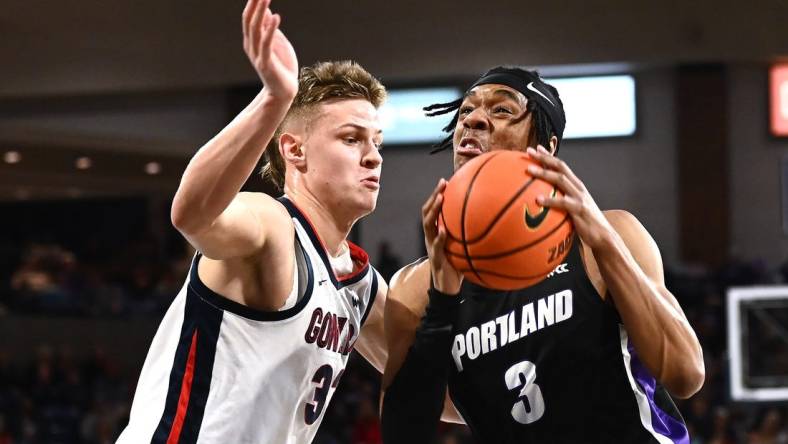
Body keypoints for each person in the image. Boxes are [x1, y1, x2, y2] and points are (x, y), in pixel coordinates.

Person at [381, 66, 705, 443]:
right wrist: (442, 304)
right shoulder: (415, 288)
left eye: (501, 110)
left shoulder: (607, 236)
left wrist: (603, 242)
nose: (473, 120)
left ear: (546, 147)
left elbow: (687, 375)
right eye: (466, 111)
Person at [117, 0, 388, 442]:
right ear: (294, 151)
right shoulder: (273, 225)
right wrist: (274, 98)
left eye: (377, 140)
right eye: (351, 138)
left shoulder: (362, 286)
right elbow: (192, 214)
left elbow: (441, 393)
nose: (373, 155)